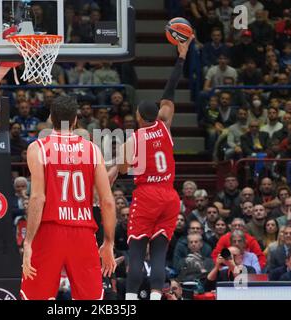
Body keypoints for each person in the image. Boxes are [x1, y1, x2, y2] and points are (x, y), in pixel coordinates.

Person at [108, 37, 194, 300]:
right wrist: (181, 56)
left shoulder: (133, 140)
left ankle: (132, 301)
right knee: (159, 252)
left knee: (136, 251)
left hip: (147, 196)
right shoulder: (165, 124)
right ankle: (156, 297)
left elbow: (122, 169)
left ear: (138, 118)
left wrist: (118, 167)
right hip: (169, 196)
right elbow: (169, 92)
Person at [20, 96, 116, 300]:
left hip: (49, 230)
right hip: (83, 231)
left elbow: (38, 197)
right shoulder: (92, 150)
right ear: (75, 120)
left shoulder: (37, 148)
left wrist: (28, 242)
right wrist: (108, 242)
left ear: (50, 119)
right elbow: (107, 201)